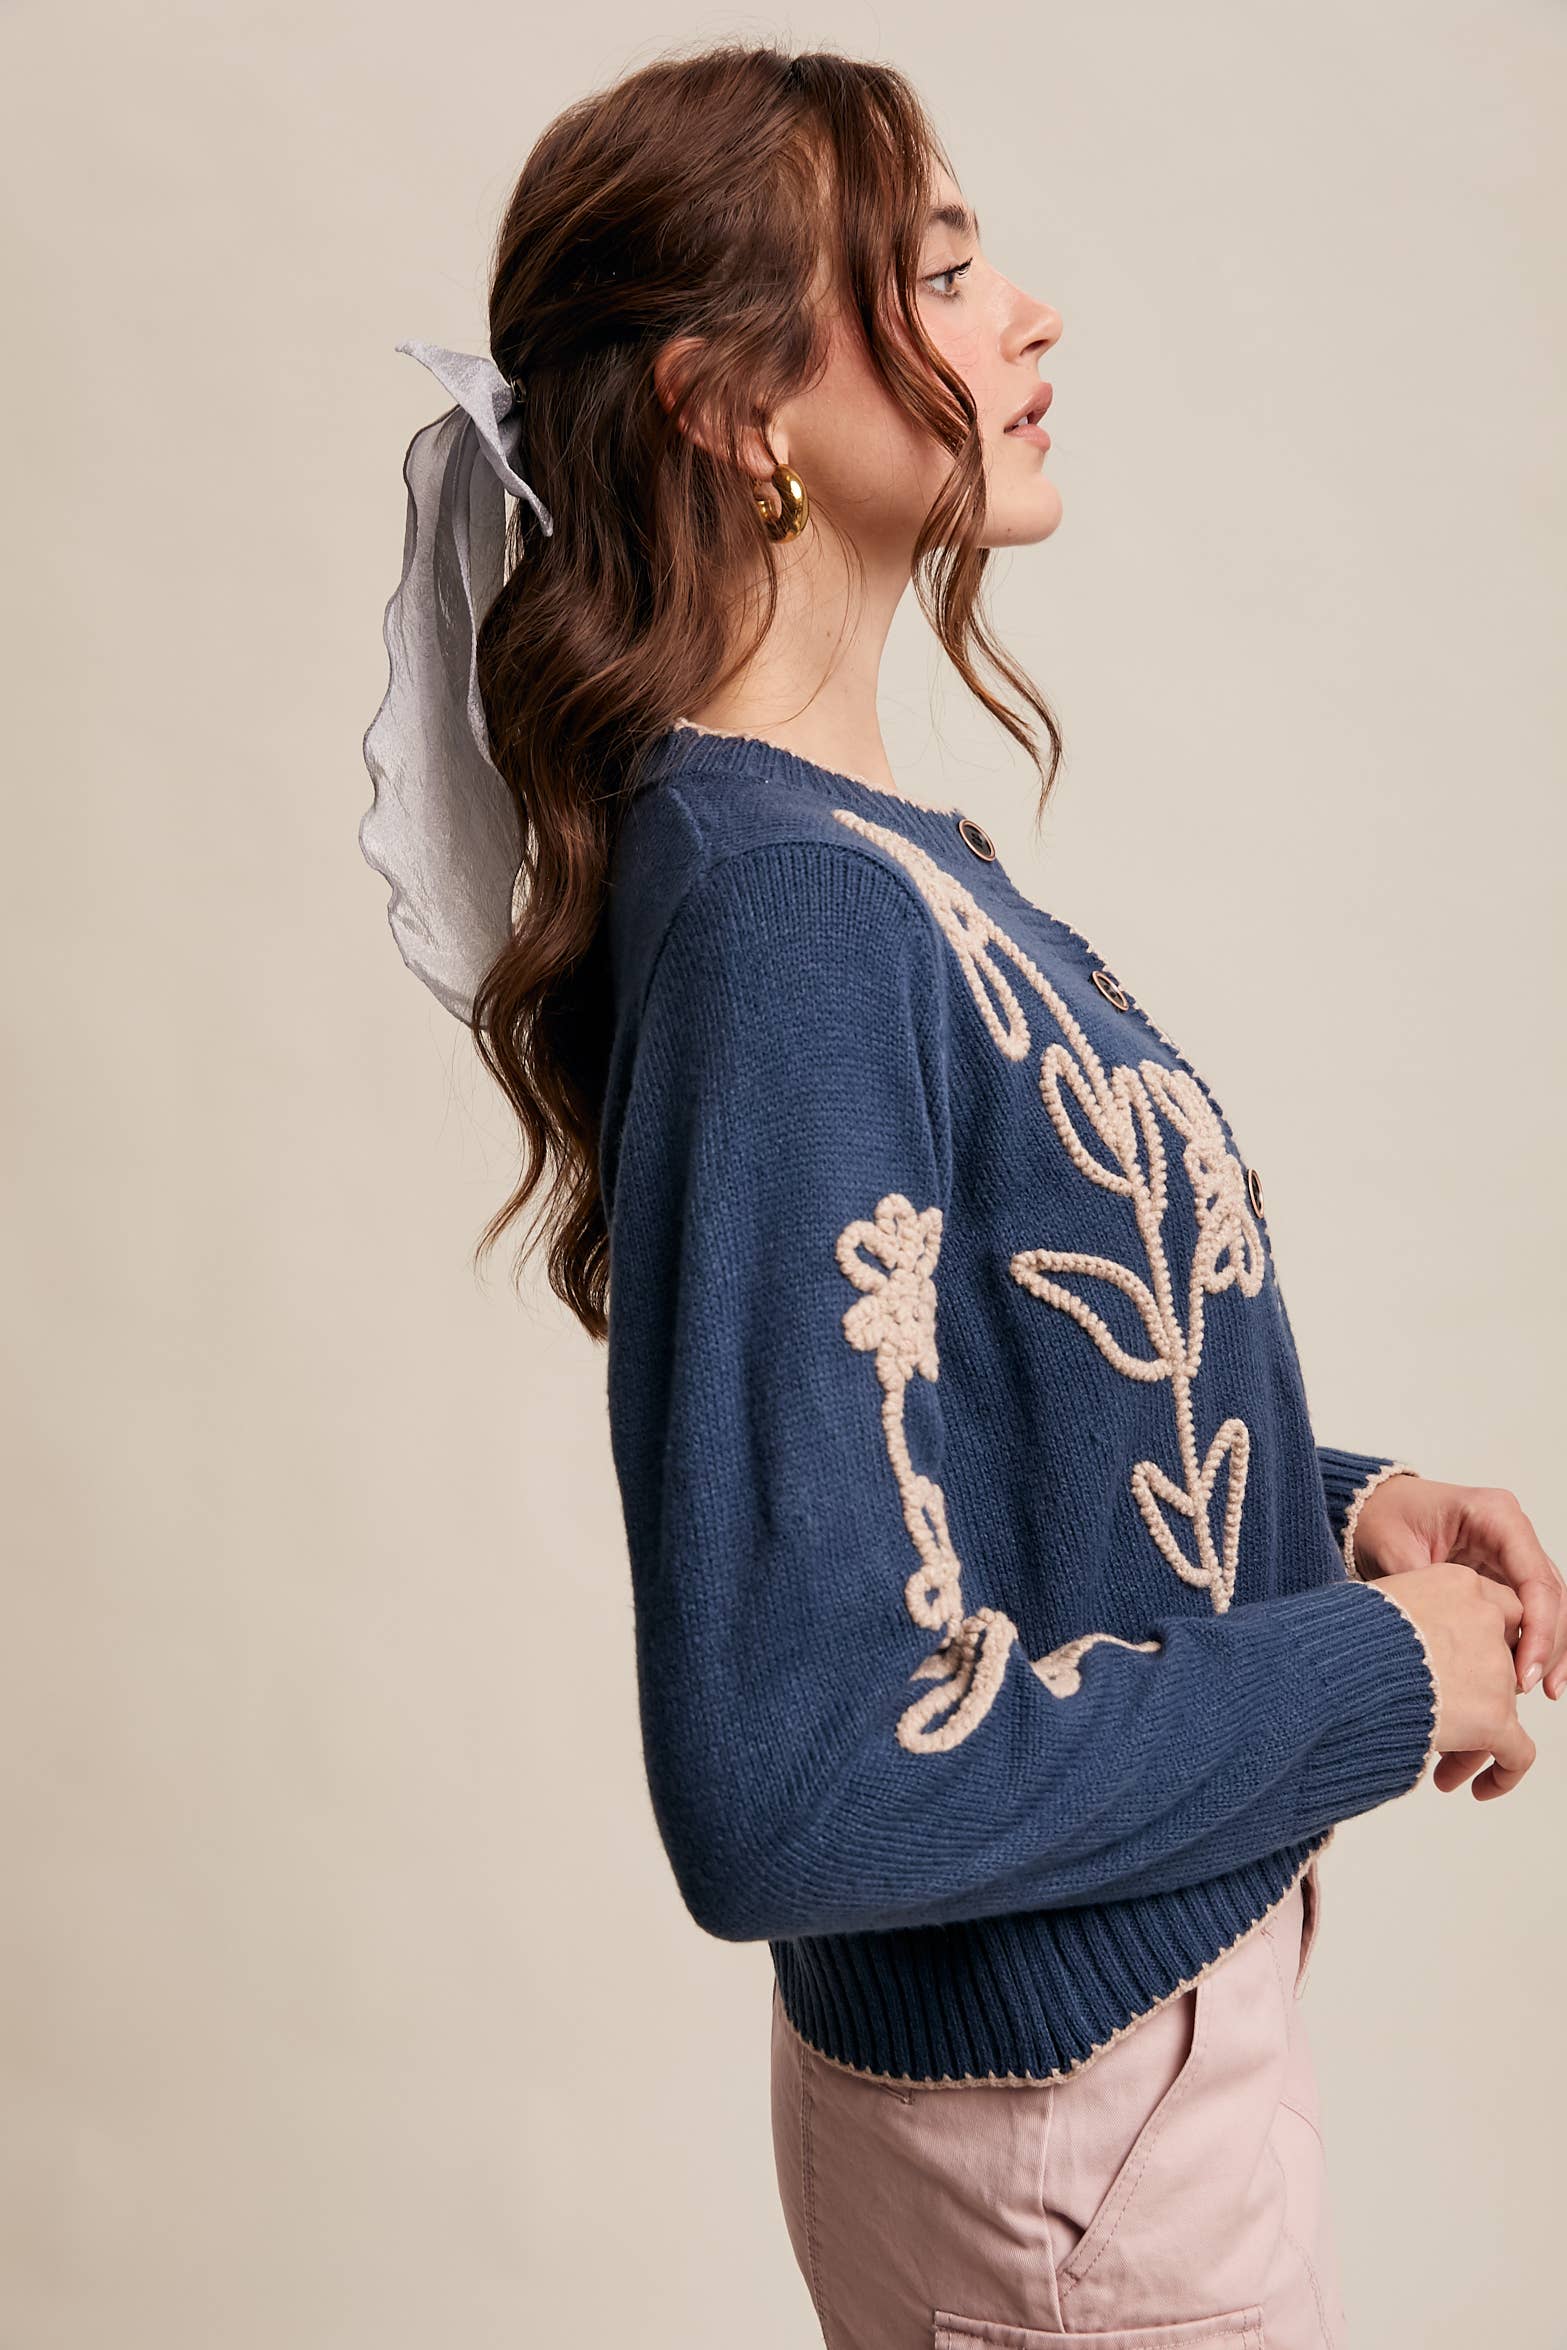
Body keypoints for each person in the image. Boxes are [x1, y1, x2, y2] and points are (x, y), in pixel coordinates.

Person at [359, 40, 1562, 2348]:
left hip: (1105, 2103)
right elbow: (800, 1765)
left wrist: (1333, 1512)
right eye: (933, 273)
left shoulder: (850, 866)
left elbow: (959, 1438)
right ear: (734, 407)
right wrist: (1365, 1673)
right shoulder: (793, 912)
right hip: (1080, 2152)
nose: (1023, 313)